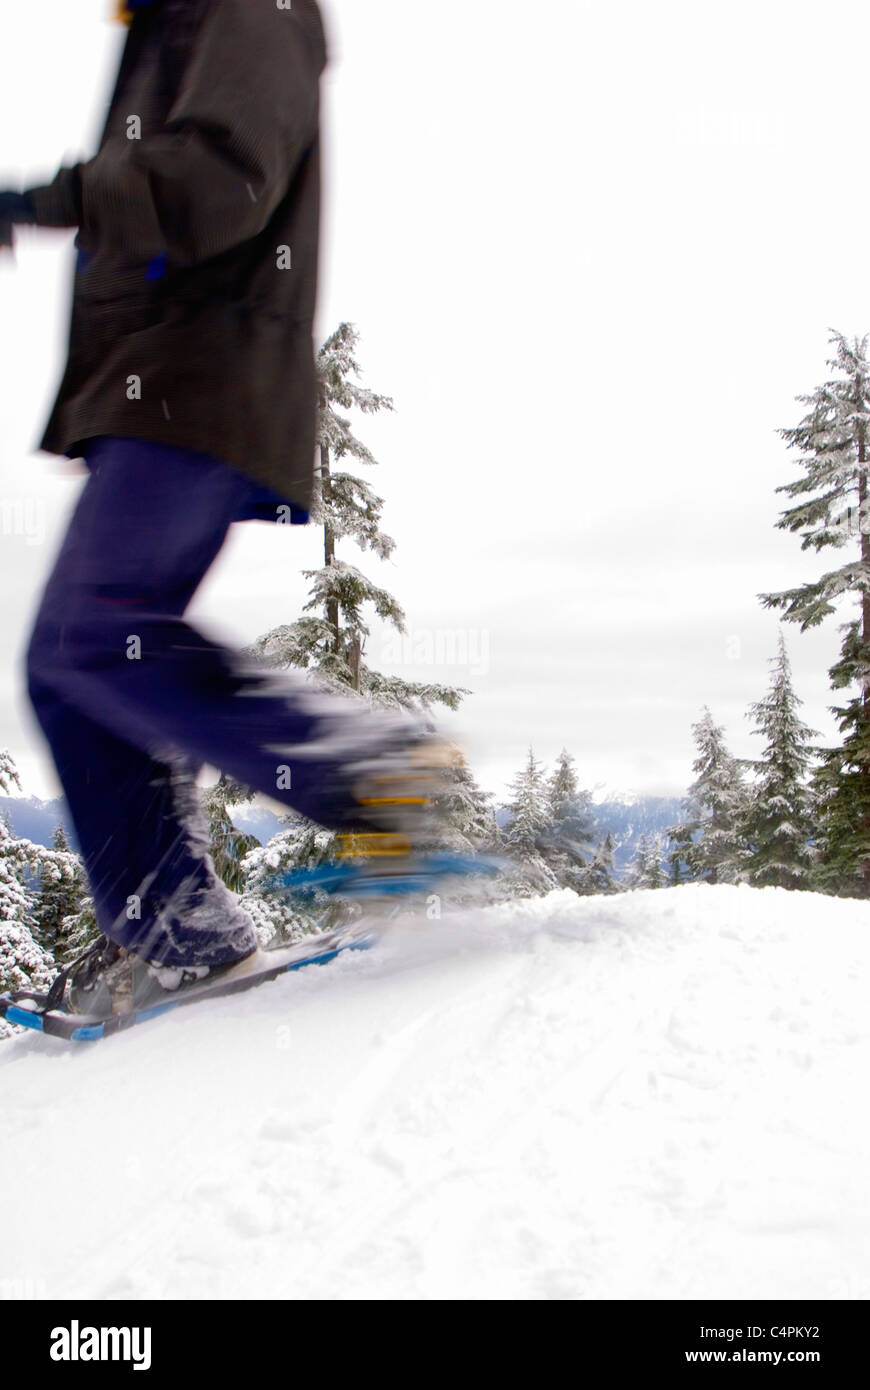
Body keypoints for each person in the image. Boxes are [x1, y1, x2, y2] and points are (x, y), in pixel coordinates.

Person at [0, 0, 445, 1019]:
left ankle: (364, 767)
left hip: (206, 368)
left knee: (95, 635)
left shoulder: (246, 5)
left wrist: (50, 199)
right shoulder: (167, 22)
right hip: (155, 381)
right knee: (71, 666)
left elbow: (221, 178)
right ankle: (179, 931)